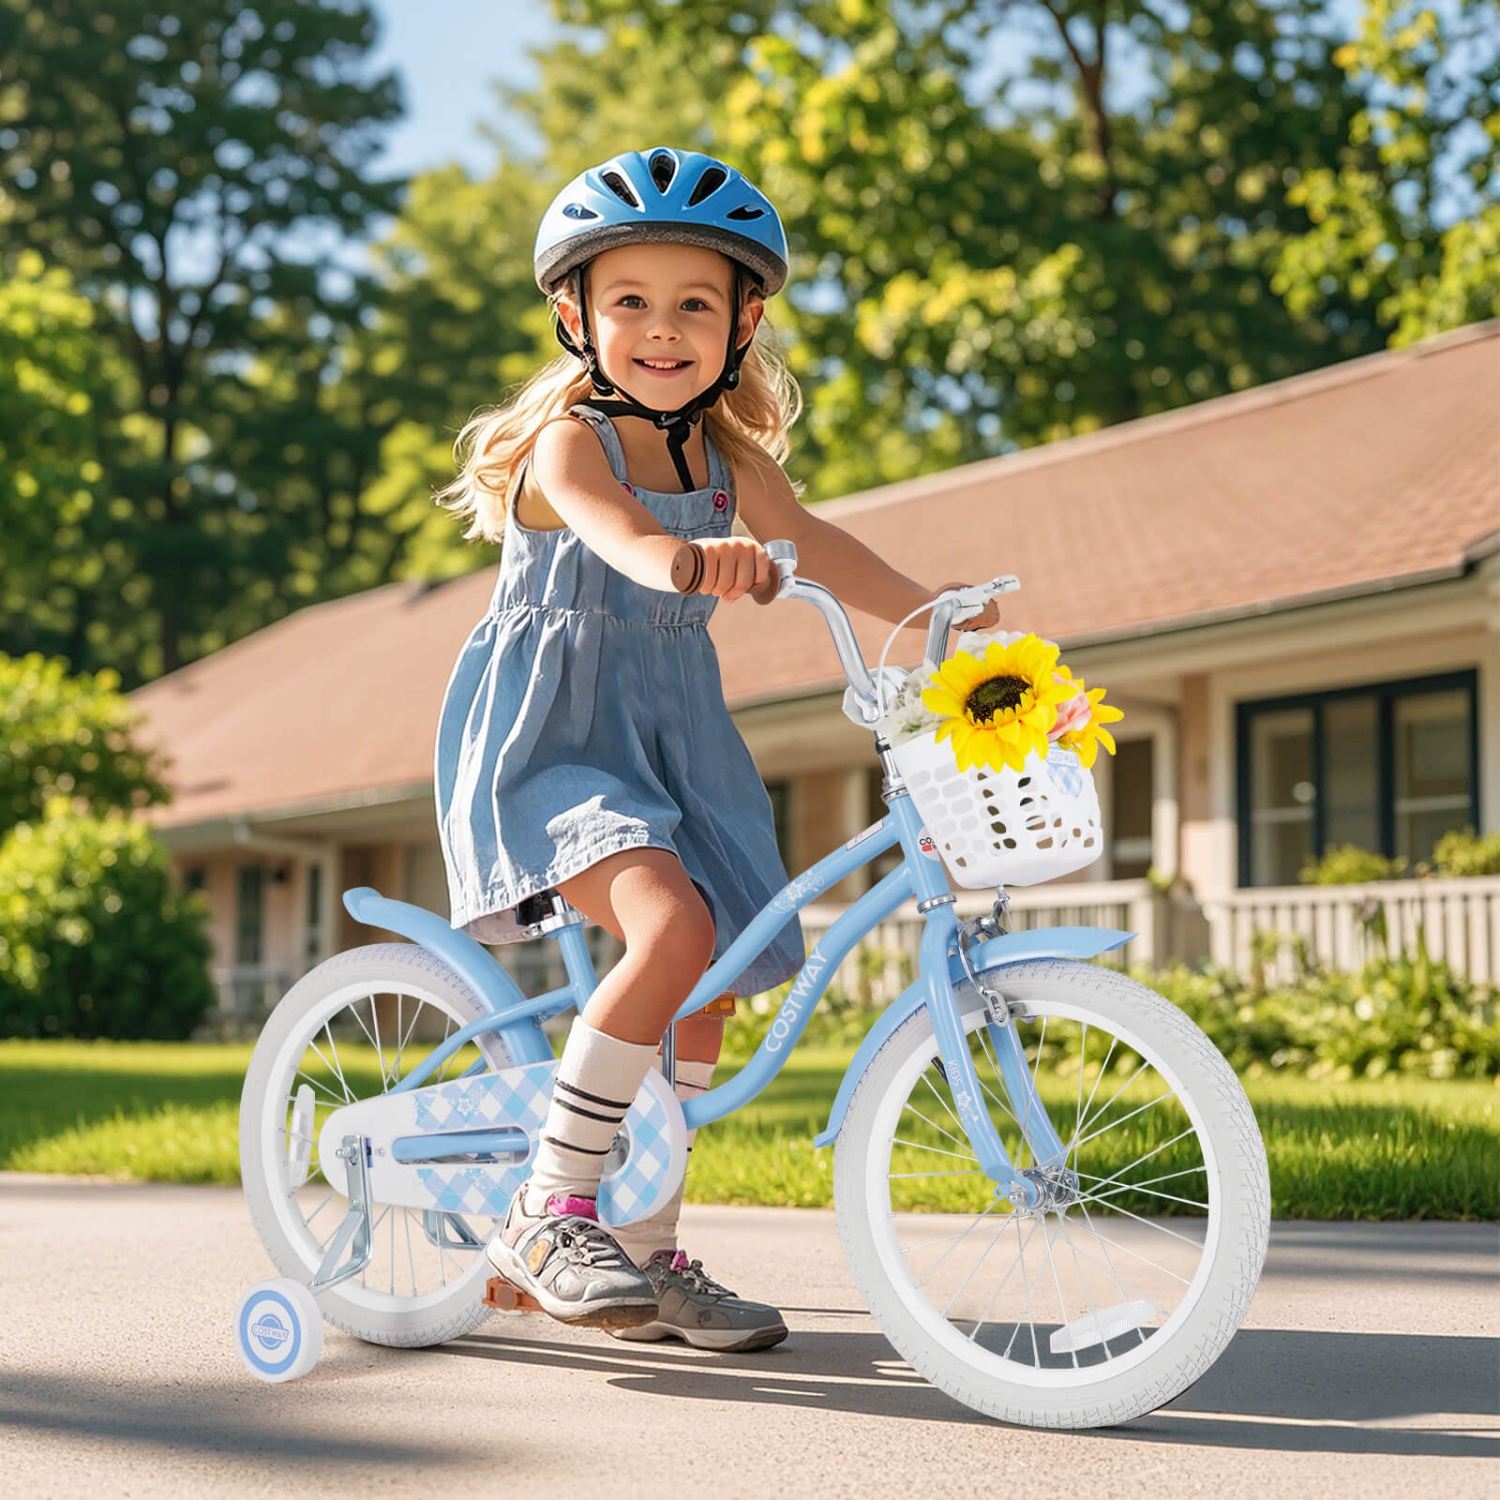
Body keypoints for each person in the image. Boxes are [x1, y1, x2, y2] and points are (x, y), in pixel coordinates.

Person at [432, 147, 998, 1353]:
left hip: (676, 732)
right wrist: (688, 560)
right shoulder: (572, 445)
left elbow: (823, 544)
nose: (662, 328)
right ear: (577, 315)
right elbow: (621, 537)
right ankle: (547, 1209)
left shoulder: (729, 461)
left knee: (715, 978)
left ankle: (642, 1245)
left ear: (743, 323)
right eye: (630, 300)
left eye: (695, 303)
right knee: (673, 930)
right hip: (560, 736)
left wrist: (928, 618)